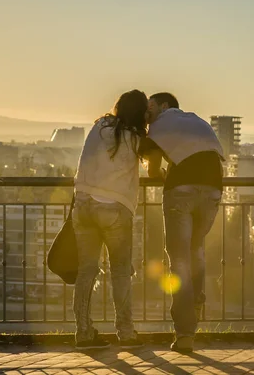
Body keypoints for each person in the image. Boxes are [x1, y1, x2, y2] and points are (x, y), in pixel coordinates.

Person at [142, 92, 224, 354]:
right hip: (213, 187)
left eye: (151, 106)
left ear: (165, 106)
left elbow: (153, 170)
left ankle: (185, 333)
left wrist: (161, 173)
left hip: (181, 190)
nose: (148, 111)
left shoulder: (159, 125)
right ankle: (197, 301)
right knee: (196, 249)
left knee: (178, 260)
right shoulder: (196, 120)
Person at [72, 89, 148, 350]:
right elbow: (153, 159)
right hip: (115, 207)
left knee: (86, 272)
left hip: (83, 204)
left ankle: (83, 333)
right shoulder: (136, 137)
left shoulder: (99, 126)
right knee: (120, 272)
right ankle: (125, 332)